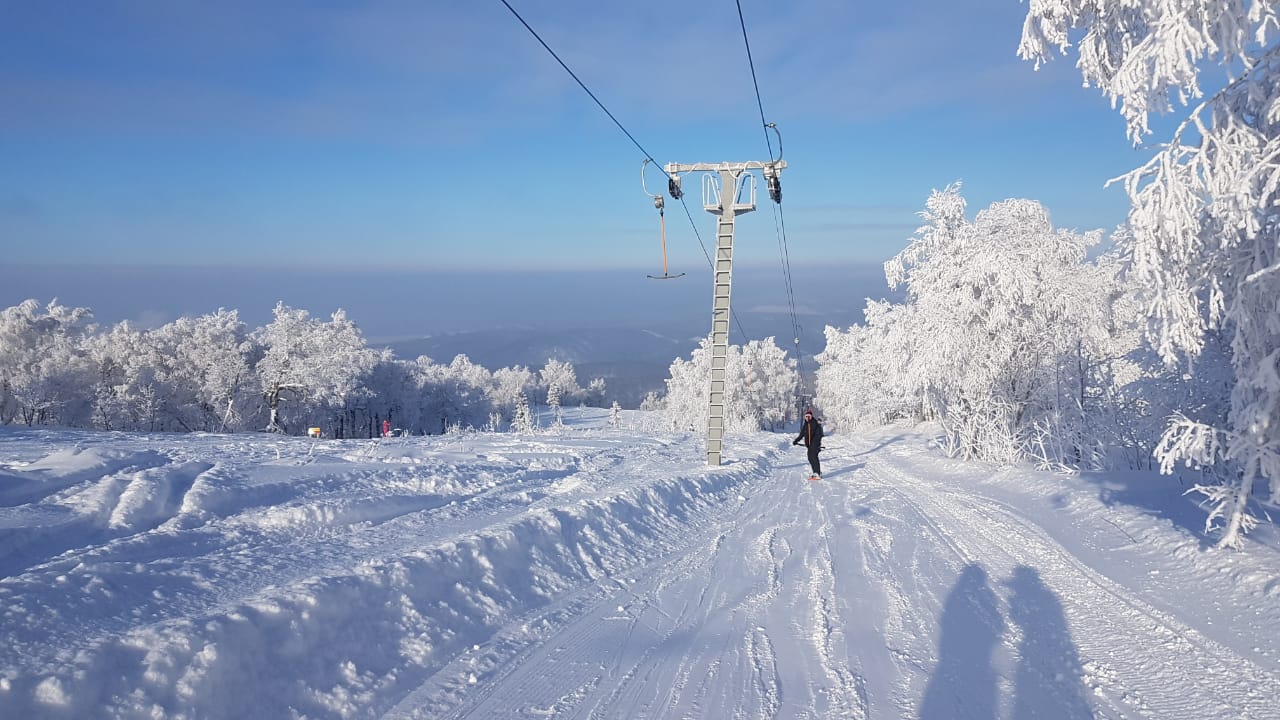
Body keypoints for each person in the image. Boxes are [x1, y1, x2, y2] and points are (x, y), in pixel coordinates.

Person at [793, 409, 824, 479]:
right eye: (806, 416)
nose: (807, 418)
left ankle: (817, 473)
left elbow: (820, 434)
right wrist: (796, 441)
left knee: (814, 457)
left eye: (809, 416)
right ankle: (816, 472)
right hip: (809, 445)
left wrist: (816, 444)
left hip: (814, 443)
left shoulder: (814, 423)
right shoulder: (806, 424)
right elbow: (802, 433)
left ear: (811, 416)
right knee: (810, 458)